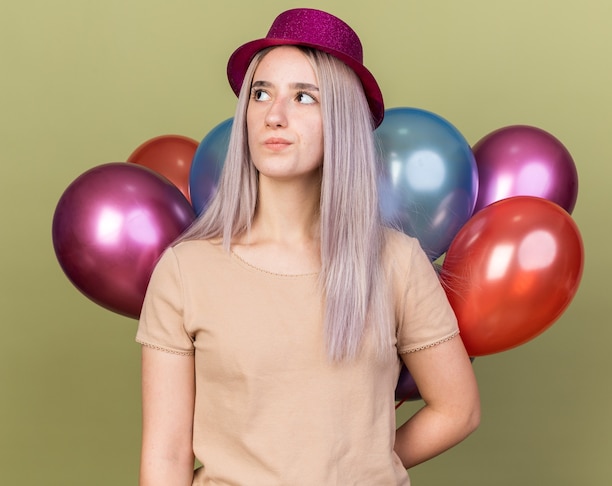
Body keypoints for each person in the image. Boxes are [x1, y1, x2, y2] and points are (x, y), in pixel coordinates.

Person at [136, 8, 480, 486]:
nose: (275, 115)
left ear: (341, 120)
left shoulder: (396, 261)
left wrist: (366, 466)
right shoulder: (185, 269)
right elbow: (166, 458)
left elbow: (457, 410)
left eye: (304, 97)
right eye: (261, 93)